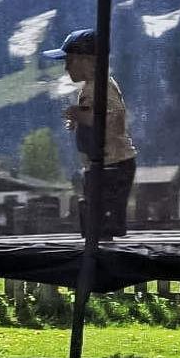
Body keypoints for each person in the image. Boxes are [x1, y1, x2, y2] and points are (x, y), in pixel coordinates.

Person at [46, 27, 137, 240]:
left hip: (112, 165)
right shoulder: (92, 88)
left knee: (102, 219)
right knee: (95, 217)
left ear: (88, 61)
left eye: (70, 60)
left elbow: (109, 118)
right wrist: (79, 118)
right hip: (103, 164)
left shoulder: (101, 88)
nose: (66, 67)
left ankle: (102, 249)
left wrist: (78, 114)